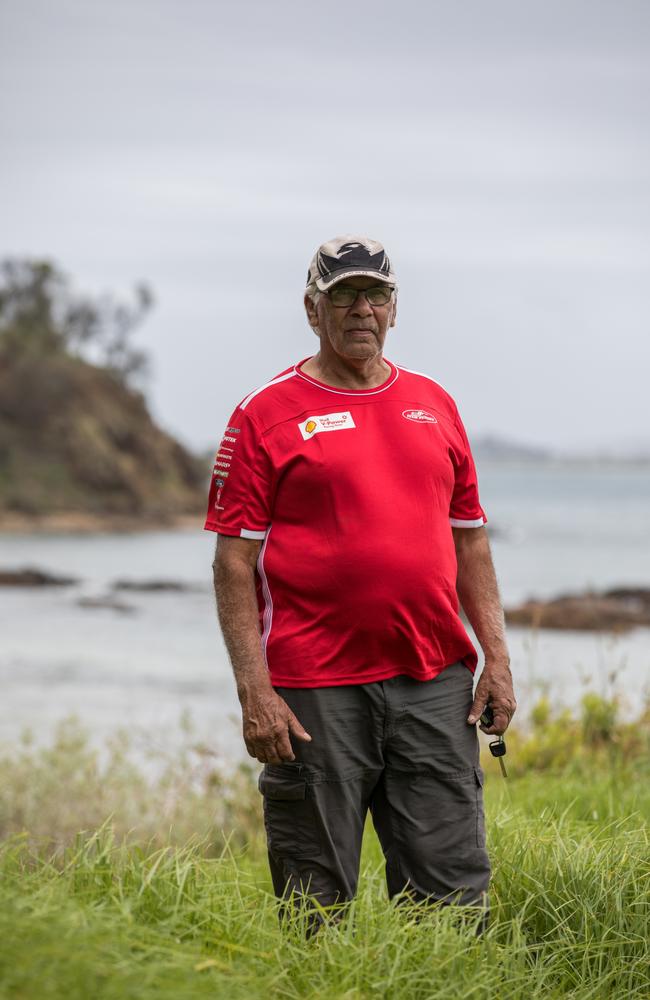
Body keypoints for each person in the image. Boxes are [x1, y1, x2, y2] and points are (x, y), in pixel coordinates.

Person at [205, 235, 516, 929]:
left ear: (395, 309)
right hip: (315, 691)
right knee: (313, 904)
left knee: (453, 899)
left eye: (375, 294)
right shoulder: (265, 413)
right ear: (312, 309)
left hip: (433, 683)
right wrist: (255, 693)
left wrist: (496, 658)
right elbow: (233, 565)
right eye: (342, 294)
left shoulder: (434, 404)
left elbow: (470, 541)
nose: (360, 309)